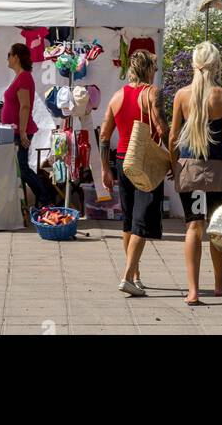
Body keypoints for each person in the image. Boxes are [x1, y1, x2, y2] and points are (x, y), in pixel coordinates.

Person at [169, 41, 222, 306]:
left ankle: (193, 291)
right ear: (216, 64)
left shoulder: (182, 95)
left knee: (193, 226)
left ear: (194, 63)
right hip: (219, 171)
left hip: (190, 169)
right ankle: (220, 284)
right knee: (217, 228)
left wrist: (172, 163)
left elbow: (173, 135)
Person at [99, 49, 170, 297]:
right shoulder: (152, 93)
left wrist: (105, 168)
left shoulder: (117, 96)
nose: (156, 72)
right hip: (143, 161)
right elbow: (161, 127)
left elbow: (104, 135)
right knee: (143, 219)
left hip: (121, 160)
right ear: (148, 69)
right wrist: (173, 158)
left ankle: (136, 275)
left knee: (128, 221)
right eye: (155, 68)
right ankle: (128, 276)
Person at [1, 42, 53, 208]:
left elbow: (25, 106)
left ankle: (46, 199)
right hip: (15, 130)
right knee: (20, 167)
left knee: (23, 168)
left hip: (20, 131)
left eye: (9, 54)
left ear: (16, 57)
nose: (7, 58)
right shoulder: (19, 76)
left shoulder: (24, 77)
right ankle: (38, 199)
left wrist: (22, 132)